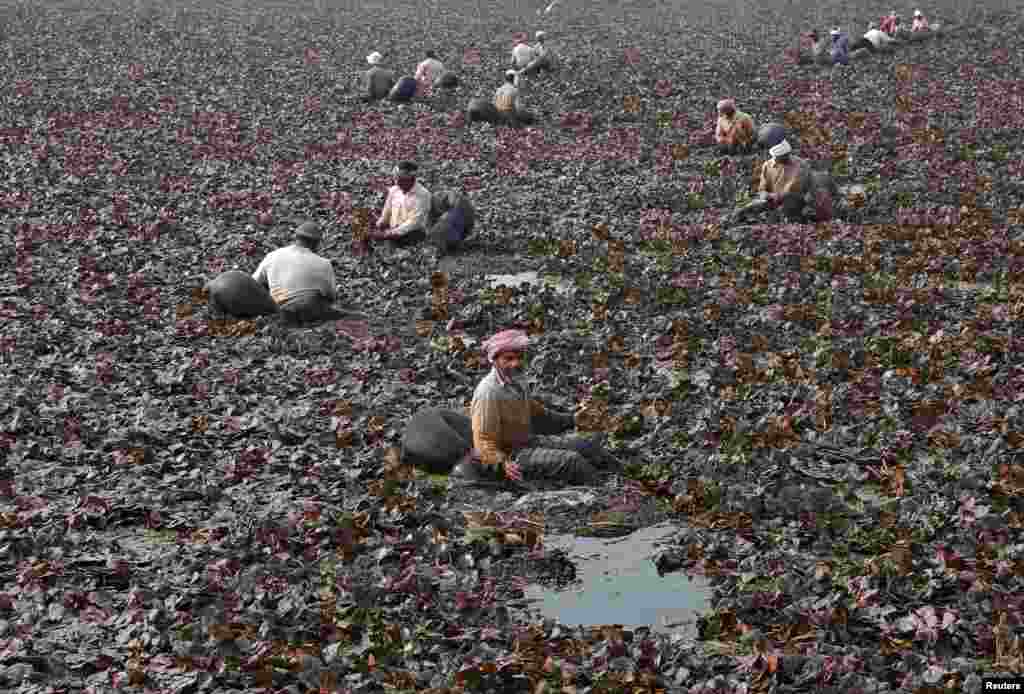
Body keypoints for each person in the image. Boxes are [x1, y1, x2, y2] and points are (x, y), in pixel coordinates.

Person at [454, 329, 618, 485]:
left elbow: (535, 411)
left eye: (519, 358)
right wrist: (502, 463)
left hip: (528, 441)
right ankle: (607, 493)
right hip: (511, 455)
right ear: (495, 360)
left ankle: (628, 475)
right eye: (508, 359)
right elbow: (483, 440)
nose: (516, 363)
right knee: (572, 461)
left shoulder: (517, 380)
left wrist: (571, 419)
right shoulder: (488, 392)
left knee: (586, 446)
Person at [253, 222, 348, 325]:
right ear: (316, 243)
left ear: (295, 238)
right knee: (349, 315)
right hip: (311, 311)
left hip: (281, 311)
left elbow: (254, 283)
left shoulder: (272, 256)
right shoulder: (324, 263)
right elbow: (331, 295)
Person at [725, 140, 813, 226]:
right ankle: (730, 221)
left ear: (787, 154)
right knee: (743, 209)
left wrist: (777, 196)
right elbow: (762, 187)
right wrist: (765, 194)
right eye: (774, 156)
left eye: (779, 156)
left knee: (784, 214)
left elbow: (794, 187)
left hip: (793, 198)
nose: (775, 159)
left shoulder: (800, 165)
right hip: (771, 199)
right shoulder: (767, 165)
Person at [369, 161, 433, 250]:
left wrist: (391, 233)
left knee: (391, 244)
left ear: (410, 179)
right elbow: (387, 211)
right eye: (396, 178)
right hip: (393, 228)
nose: (396, 181)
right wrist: (380, 224)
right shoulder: (393, 190)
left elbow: (414, 222)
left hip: (412, 233)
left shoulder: (423, 195)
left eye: (399, 178)